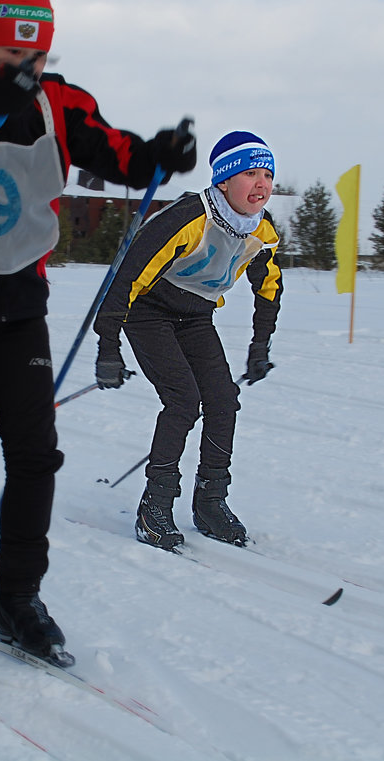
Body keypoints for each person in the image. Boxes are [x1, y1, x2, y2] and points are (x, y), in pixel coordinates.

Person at [0, 0, 195, 687]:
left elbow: (116, 152)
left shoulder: (61, 103)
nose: (22, 70)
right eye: (8, 57)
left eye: (33, 58)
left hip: (21, 299)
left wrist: (159, 155)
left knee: (35, 453)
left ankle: (17, 598)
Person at [93, 131, 283, 551]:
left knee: (222, 400)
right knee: (183, 400)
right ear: (224, 180)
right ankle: (154, 507)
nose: (262, 184)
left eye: (267, 175)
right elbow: (125, 277)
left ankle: (210, 502)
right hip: (149, 313)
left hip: (195, 316)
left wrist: (260, 345)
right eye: (250, 173)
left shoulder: (261, 230)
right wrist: (108, 346)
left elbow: (269, 287)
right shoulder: (187, 218)